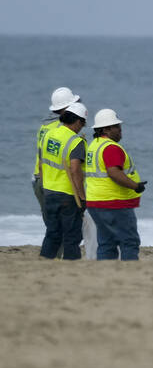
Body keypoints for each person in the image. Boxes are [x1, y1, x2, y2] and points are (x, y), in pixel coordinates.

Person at [84, 108, 147, 261]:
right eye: (117, 127)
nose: (120, 130)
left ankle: (106, 274)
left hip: (95, 202)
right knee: (129, 241)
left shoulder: (94, 146)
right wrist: (135, 186)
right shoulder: (111, 148)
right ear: (106, 129)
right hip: (114, 203)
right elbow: (114, 172)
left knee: (106, 242)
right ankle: (129, 274)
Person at [38, 101, 88, 260]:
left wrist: (45, 186)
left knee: (52, 233)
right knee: (72, 236)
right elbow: (75, 170)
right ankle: (70, 267)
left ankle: (44, 263)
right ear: (78, 121)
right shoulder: (76, 141)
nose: (82, 128)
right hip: (68, 195)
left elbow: (41, 163)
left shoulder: (48, 134)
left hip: (49, 191)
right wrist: (82, 196)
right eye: (83, 124)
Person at [33, 86, 79, 213]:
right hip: (54, 184)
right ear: (67, 107)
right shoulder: (61, 127)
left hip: (40, 180)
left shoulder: (45, 125)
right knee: (67, 227)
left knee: (53, 227)